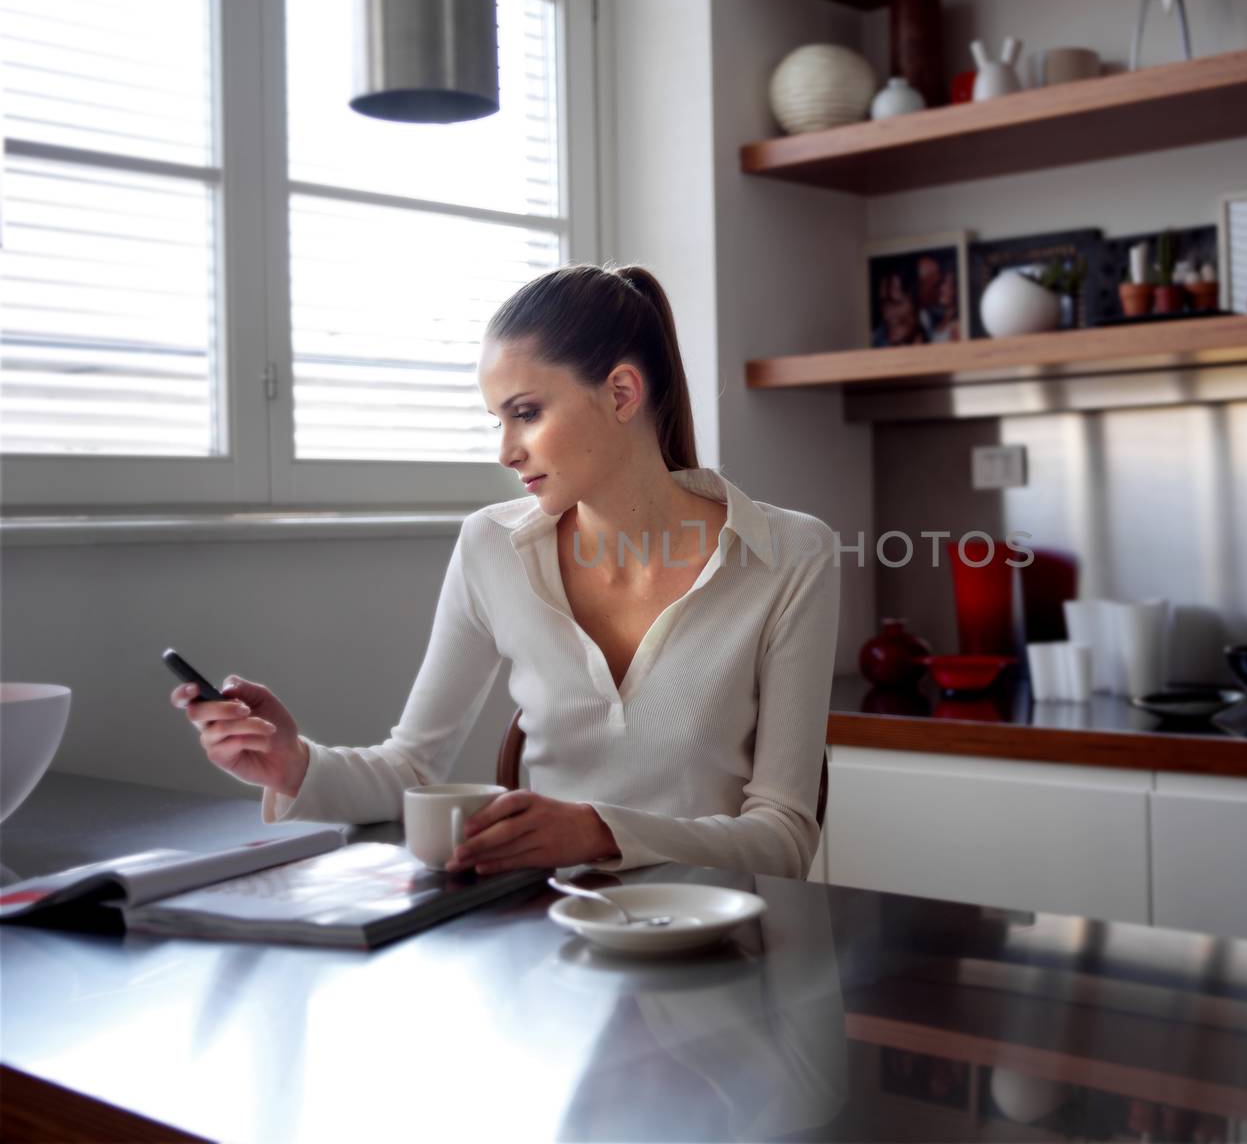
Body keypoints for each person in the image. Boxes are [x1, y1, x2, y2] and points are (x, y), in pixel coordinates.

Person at [170, 262, 842, 880]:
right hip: (545, 941)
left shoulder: (789, 555)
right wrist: (293, 763)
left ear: (621, 393)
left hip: (719, 949)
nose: (504, 450)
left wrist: (601, 833)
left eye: (526, 412)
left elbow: (784, 837)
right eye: (497, 419)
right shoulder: (490, 547)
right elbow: (410, 765)